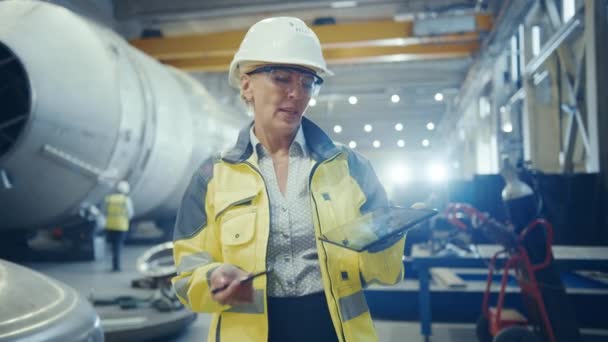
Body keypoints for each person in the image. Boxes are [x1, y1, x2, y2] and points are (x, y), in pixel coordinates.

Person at [172, 17, 405, 342]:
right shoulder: (212, 176)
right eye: (281, 79)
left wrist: (389, 239)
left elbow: (386, 272)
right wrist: (211, 278)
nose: (297, 94)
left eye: (307, 83)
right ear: (246, 84)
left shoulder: (349, 167)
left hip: (332, 330)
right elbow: (186, 271)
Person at [104, 180, 134, 271]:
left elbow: (105, 212)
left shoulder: (109, 198)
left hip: (110, 226)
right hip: (121, 226)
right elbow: (130, 213)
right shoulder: (126, 199)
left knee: (113, 247)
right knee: (118, 246)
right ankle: (116, 266)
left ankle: (114, 265)